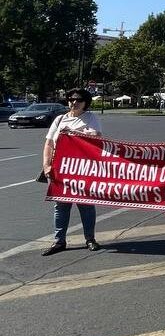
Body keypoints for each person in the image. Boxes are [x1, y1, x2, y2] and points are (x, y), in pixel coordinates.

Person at [41, 88, 103, 255]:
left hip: (82, 169)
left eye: (78, 100)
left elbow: (96, 138)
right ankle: (59, 241)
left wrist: (73, 133)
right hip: (60, 169)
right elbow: (49, 144)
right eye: (71, 99)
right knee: (60, 206)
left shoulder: (90, 118)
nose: (74, 102)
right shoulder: (60, 119)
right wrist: (46, 165)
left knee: (86, 205)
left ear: (85, 103)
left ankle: (90, 239)